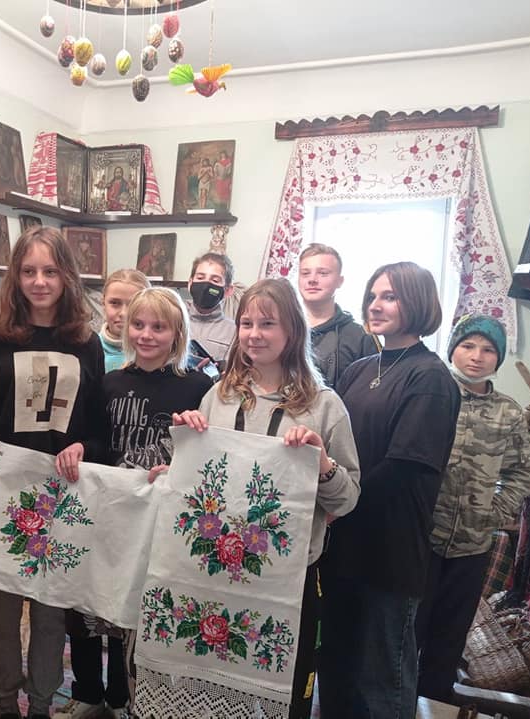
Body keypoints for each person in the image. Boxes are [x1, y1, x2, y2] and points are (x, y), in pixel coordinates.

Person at [173, 278, 360, 719]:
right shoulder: (219, 396)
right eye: (246, 323)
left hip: (287, 580)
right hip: (219, 571)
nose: (254, 334)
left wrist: (322, 464)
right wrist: (184, 445)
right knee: (216, 684)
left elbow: (347, 499)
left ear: (292, 330)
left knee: (285, 689)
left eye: (267, 324)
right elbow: (197, 484)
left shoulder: (324, 406)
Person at [0, 226, 108, 719]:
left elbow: (98, 427)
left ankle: (41, 702)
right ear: (15, 276)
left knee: (50, 614)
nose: (39, 282)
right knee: (0, 613)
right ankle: (3, 700)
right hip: (4, 493)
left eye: (50, 271)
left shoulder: (86, 343)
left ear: (67, 277)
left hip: (61, 493)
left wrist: (83, 446)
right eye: (29, 271)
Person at [59, 288, 213, 719]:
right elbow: (96, 438)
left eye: (158, 327)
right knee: (90, 601)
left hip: (159, 521)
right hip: (108, 513)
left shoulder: (199, 386)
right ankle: (89, 691)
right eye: (139, 325)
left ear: (177, 332)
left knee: (136, 607)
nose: (146, 335)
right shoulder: (110, 382)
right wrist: (80, 447)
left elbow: (206, 454)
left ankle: (126, 695)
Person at [318, 261, 461, 719]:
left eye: (390, 297)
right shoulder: (360, 370)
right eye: (373, 296)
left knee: (381, 680)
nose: (375, 305)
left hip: (389, 552)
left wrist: (339, 499)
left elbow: (403, 469)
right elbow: (333, 441)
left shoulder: (430, 377)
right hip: (341, 545)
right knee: (335, 669)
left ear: (416, 303)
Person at [415, 314, 530, 703]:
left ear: (498, 358)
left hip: (472, 547)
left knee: (449, 636)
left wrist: (492, 513)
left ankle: (435, 702)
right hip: (422, 539)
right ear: (452, 350)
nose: (477, 356)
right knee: (408, 629)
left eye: (488, 349)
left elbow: (521, 474)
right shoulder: (431, 397)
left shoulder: (508, 413)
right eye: (467, 346)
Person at [297, 243, 378, 388]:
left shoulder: (360, 337)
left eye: (323, 273)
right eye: (305, 273)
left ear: (340, 281)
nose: (312, 279)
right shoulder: (283, 329)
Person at [187, 251, 236, 369]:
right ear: (190, 283)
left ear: (228, 290)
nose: (206, 286)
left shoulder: (235, 332)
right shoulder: (173, 321)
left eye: (215, 281)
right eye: (200, 278)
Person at [98, 269, 152, 373]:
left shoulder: (157, 355)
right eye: (114, 303)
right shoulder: (88, 350)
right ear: (103, 304)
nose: (124, 313)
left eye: (133, 304)